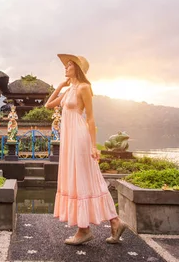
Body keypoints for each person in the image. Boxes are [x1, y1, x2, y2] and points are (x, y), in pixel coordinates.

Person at [45, 54, 127, 245]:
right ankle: (114, 222)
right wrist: (60, 86)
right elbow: (49, 104)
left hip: (80, 138)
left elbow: (90, 118)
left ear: (79, 69)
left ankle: (85, 230)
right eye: (66, 65)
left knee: (85, 178)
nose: (66, 67)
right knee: (77, 178)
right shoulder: (70, 90)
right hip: (69, 139)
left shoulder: (84, 88)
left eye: (70, 65)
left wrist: (93, 145)